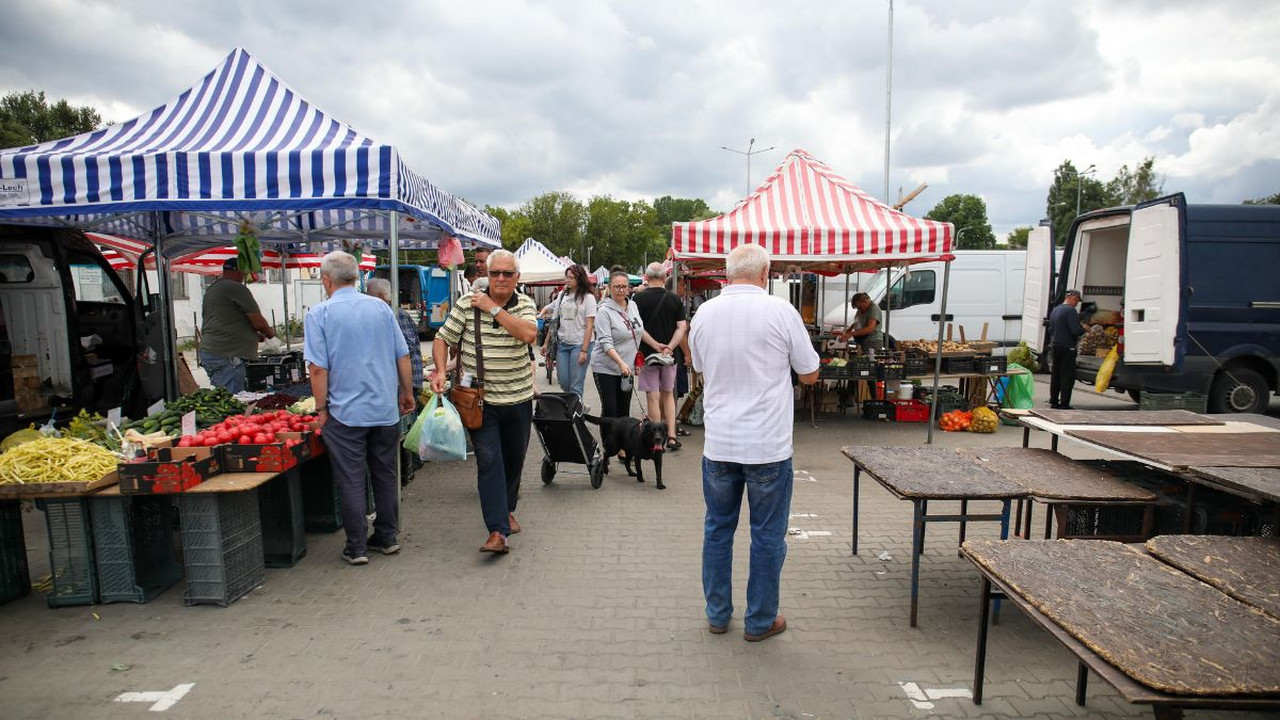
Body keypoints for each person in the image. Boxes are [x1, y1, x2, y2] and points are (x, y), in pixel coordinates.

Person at [689, 243, 820, 642]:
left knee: (717, 530)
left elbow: (698, 367)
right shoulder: (781, 312)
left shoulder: (704, 314)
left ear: (726, 274)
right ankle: (761, 620)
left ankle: (717, 613)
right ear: (766, 273)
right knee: (766, 535)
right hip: (767, 445)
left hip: (721, 443)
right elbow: (810, 373)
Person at [304, 252, 415, 566]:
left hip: (345, 413)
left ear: (326, 280)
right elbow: (402, 355)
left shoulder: (320, 314)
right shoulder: (381, 307)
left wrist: (321, 409)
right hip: (384, 409)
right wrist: (406, 393)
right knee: (385, 474)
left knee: (352, 479)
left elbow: (317, 369)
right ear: (356, 277)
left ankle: (357, 547)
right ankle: (387, 536)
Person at [431, 249, 538, 555]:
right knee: (489, 461)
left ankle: (507, 507)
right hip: (480, 402)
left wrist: (492, 308)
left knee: (514, 461)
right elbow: (442, 339)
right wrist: (440, 370)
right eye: (495, 274)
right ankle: (497, 530)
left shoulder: (525, 303)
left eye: (507, 274)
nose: (500, 279)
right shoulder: (466, 304)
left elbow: (528, 334)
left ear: (517, 277)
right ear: (486, 275)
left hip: (518, 399)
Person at [592, 270, 663, 420]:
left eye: (624, 286)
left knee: (624, 410)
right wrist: (620, 363)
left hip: (627, 367)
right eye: (617, 286)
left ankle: (623, 443)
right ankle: (609, 443)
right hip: (606, 367)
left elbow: (638, 330)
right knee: (611, 409)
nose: (621, 290)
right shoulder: (603, 311)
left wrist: (656, 345)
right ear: (609, 288)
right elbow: (605, 343)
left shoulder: (633, 306)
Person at [199, 257, 276, 393]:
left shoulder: (213, 288)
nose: (244, 276)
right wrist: (270, 333)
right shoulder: (236, 288)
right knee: (232, 400)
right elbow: (258, 322)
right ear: (239, 271)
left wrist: (253, 336)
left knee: (224, 397)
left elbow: (226, 321)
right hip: (227, 355)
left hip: (213, 351)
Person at [633, 262, 687, 451]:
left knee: (653, 396)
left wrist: (655, 345)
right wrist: (670, 347)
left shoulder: (637, 299)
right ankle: (671, 436)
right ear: (665, 278)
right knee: (668, 395)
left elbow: (637, 328)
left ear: (646, 278)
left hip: (647, 355)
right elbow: (682, 327)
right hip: (669, 357)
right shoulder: (674, 299)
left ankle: (656, 440)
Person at [542, 265, 597, 402]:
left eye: (571, 277)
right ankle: (577, 405)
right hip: (563, 344)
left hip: (580, 344)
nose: (568, 280)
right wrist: (545, 343)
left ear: (579, 279)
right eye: (567, 277)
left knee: (576, 385)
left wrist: (584, 350)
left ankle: (576, 416)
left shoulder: (588, 298)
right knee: (563, 381)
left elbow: (590, 326)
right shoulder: (562, 295)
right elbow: (554, 320)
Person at [366, 278, 423, 393]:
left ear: (381, 296)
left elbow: (408, 348)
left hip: (405, 381)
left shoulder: (397, 314)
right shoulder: (385, 312)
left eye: (370, 296)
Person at [1049, 289, 1088, 409]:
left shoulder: (1056, 309)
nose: (1077, 304)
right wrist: (1084, 328)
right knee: (1067, 376)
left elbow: (1051, 329)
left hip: (1055, 345)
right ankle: (1064, 403)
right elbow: (1075, 330)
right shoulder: (1070, 311)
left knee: (1056, 374)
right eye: (1076, 301)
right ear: (1072, 298)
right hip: (1067, 347)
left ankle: (1054, 400)